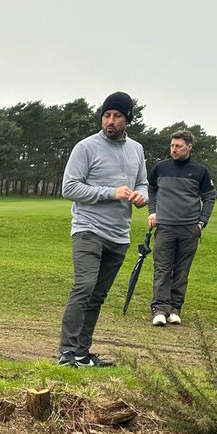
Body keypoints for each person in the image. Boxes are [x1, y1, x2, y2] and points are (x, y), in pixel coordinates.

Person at [57, 91, 148, 367]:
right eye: (106, 115)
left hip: (119, 235)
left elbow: (142, 182)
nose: (110, 121)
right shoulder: (85, 147)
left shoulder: (137, 149)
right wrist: (111, 193)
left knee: (98, 295)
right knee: (84, 286)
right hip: (88, 229)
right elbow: (69, 188)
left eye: (117, 116)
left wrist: (143, 196)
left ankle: (83, 354)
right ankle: (66, 352)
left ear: (128, 119)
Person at [146, 129, 216, 325]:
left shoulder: (200, 171)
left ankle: (175, 308)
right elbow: (151, 190)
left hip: (189, 228)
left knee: (182, 270)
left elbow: (209, 197)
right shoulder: (160, 168)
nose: (174, 149)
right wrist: (152, 211)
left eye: (178, 146)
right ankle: (160, 309)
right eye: (172, 146)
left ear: (189, 147)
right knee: (162, 268)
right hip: (165, 226)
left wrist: (202, 222)